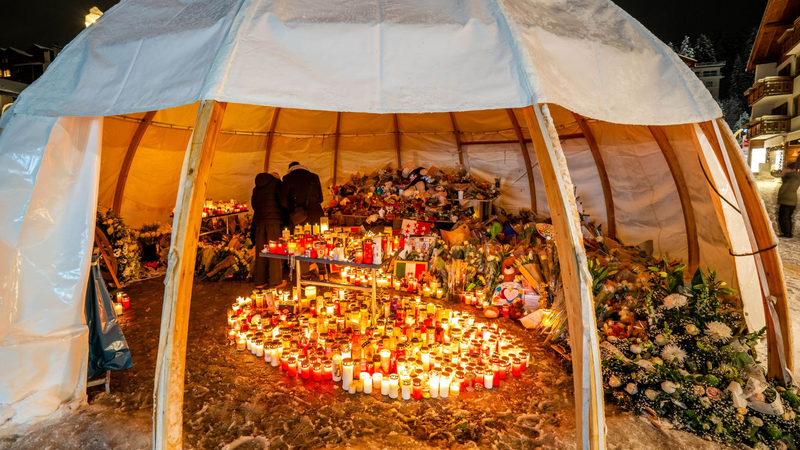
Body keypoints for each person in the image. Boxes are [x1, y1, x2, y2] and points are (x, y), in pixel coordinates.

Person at [251, 172, 285, 288]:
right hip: (273, 220)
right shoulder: (276, 183)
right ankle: (276, 281)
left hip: (259, 221)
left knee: (261, 251)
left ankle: (260, 281)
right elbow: (282, 200)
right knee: (274, 250)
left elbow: (254, 205)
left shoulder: (256, 188)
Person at [280, 162, 324, 226]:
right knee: (317, 231)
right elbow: (320, 199)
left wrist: (292, 209)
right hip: (315, 213)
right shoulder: (314, 177)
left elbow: (283, 201)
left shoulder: (287, 178)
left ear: (289, 169)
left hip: (298, 216)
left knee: (299, 232)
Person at [778, 161, 800, 238]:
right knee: (786, 217)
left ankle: (787, 233)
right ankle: (787, 233)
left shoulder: (792, 176)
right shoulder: (792, 177)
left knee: (784, 217)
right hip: (789, 200)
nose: (785, 169)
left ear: (790, 169)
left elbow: (787, 186)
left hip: (787, 200)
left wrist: (785, 173)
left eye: (786, 168)